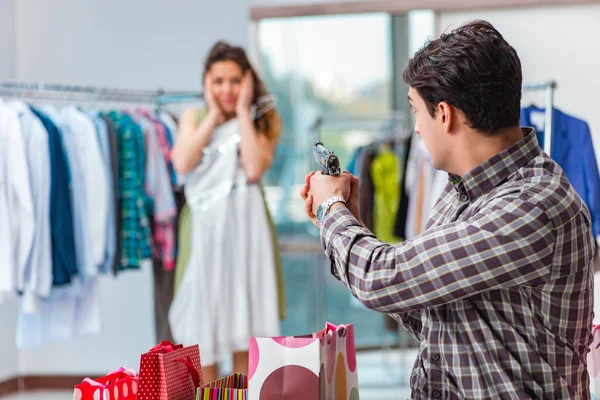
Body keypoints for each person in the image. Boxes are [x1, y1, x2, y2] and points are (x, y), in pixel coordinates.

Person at [301, 21, 595, 399]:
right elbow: (431, 311)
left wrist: (332, 209)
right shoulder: (462, 192)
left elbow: (383, 278)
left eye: (415, 111)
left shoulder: (532, 205)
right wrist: (349, 225)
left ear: (444, 114)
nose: (417, 129)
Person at [169, 41, 282, 383]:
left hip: (247, 231)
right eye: (218, 81)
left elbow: (253, 168)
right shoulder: (195, 116)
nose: (227, 89)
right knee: (203, 329)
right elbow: (182, 162)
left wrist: (243, 112)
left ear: (247, 80)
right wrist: (214, 117)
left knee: (244, 324)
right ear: (207, 82)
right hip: (205, 232)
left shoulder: (261, 119)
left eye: (234, 80)